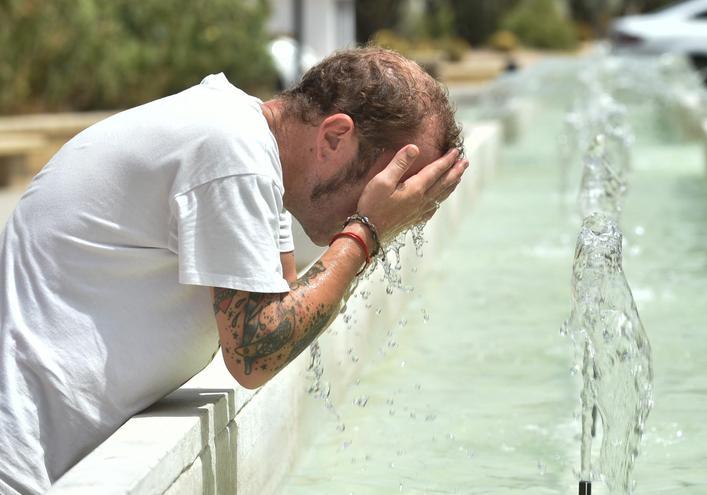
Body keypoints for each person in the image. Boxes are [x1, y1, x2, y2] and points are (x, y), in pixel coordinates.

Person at [0, 47, 467, 494]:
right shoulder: (231, 153)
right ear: (334, 137)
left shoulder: (248, 146)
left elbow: (289, 311)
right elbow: (255, 352)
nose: (393, 200)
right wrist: (367, 231)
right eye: (395, 181)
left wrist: (365, 231)